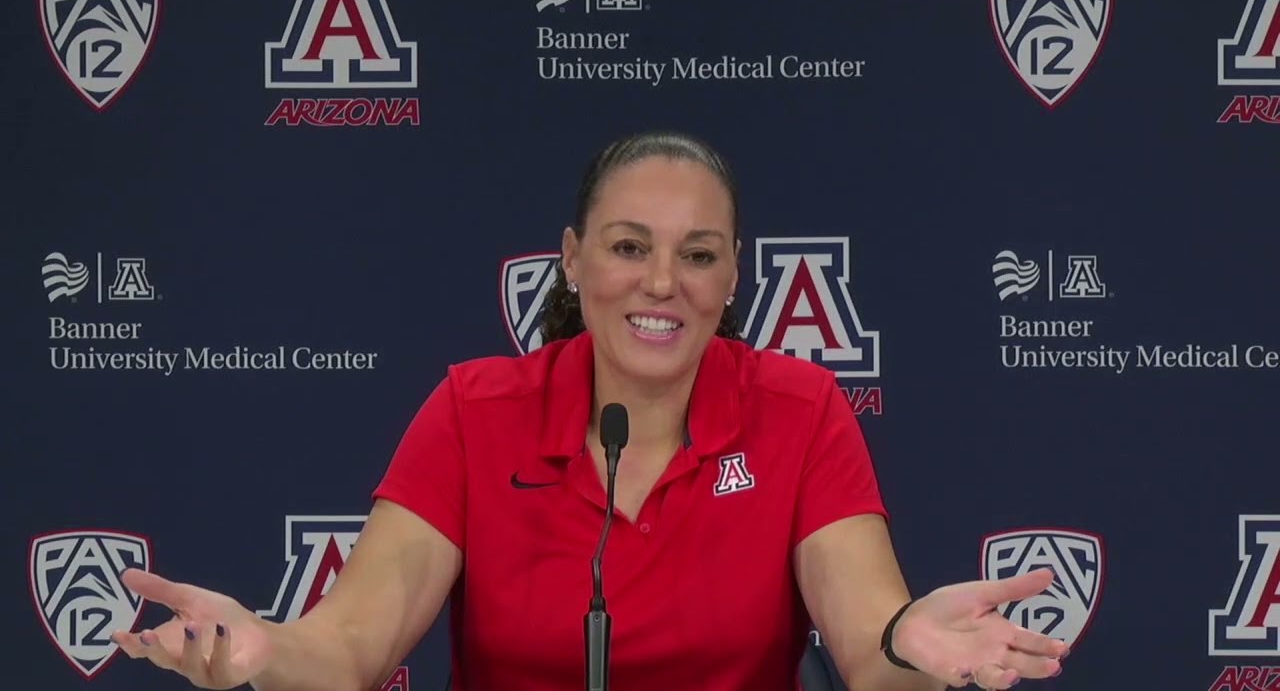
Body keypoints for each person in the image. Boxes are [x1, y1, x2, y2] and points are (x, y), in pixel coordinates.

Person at [110, 131, 1069, 691]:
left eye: (698, 254)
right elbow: (354, 643)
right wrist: (266, 653)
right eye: (626, 247)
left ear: (734, 277)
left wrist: (909, 643)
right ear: (572, 259)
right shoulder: (475, 411)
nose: (662, 283)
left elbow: (867, 640)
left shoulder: (798, 409)